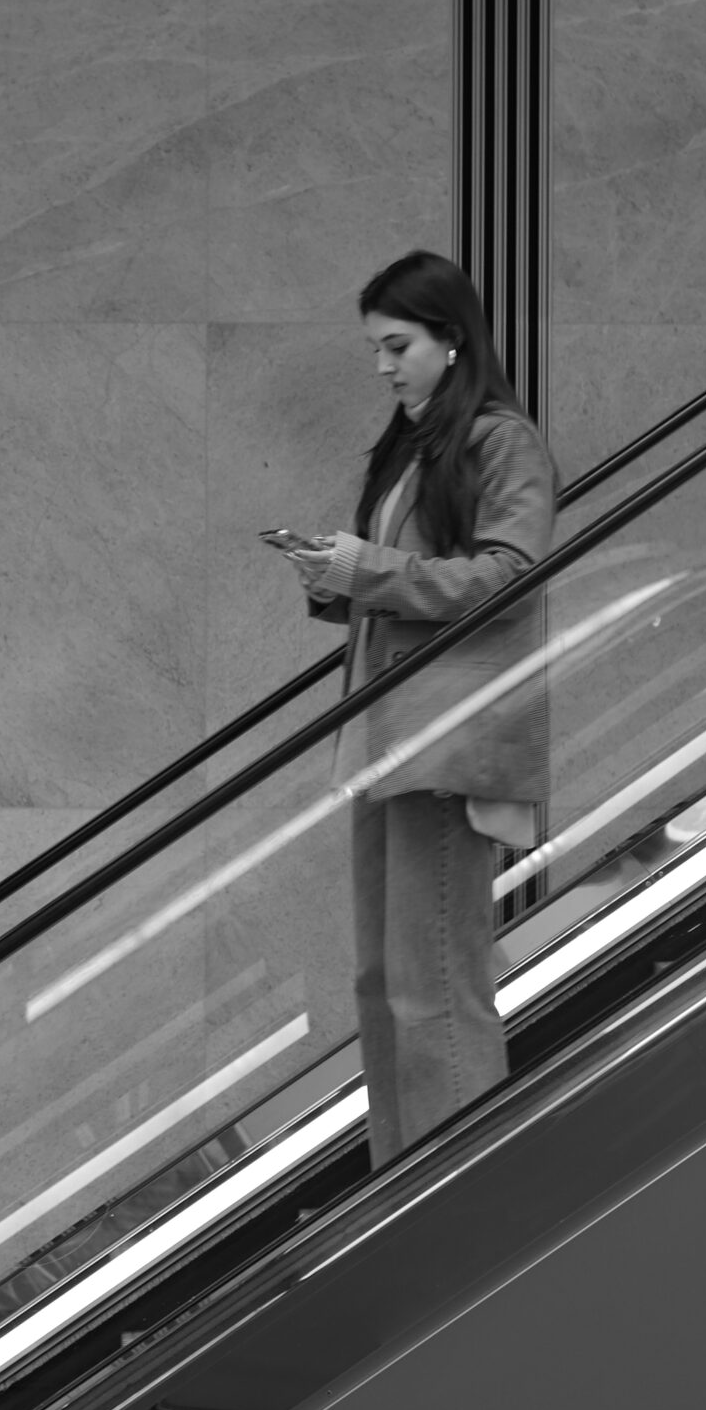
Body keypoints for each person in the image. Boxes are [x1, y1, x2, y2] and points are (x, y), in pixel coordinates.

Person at [278, 250, 556, 1168]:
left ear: (451, 339)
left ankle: (450, 1200)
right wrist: (338, 576)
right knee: (387, 982)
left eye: (397, 345)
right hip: (392, 740)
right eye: (375, 351)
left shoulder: (498, 440)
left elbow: (515, 575)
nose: (385, 367)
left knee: (435, 982)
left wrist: (370, 570)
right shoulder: (424, 446)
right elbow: (410, 582)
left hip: (445, 745)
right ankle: (404, 1188)